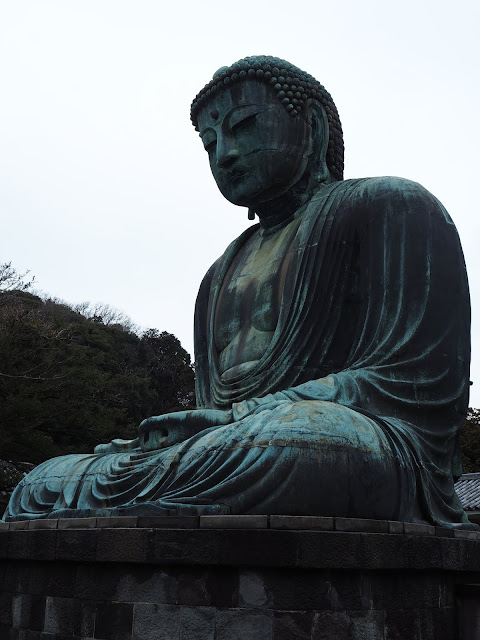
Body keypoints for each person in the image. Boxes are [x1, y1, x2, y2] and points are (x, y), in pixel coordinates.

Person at [3, 56, 474, 527]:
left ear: (311, 128)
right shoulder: (218, 274)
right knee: (42, 481)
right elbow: (210, 411)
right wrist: (185, 436)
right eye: (210, 145)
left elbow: (419, 383)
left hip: (352, 444)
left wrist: (248, 416)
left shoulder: (392, 206)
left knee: (294, 446)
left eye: (244, 127)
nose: (224, 154)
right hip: (231, 445)